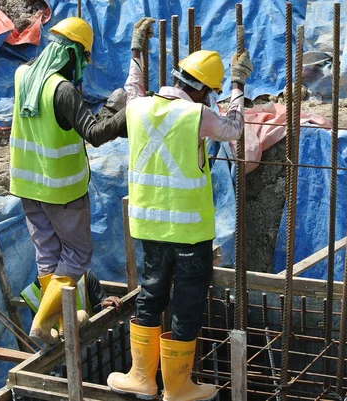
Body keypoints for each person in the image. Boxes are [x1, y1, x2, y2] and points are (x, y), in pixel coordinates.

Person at [106, 17, 252, 401]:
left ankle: (141, 378)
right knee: (186, 303)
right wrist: (237, 87)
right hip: (189, 233)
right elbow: (234, 129)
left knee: (150, 296)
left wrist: (137, 51)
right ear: (204, 90)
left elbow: (132, 87)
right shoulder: (198, 115)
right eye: (212, 91)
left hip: (149, 228)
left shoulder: (137, 108)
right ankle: (177, 386)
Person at [9, 17, 127, 345]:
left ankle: (59, 321)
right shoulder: (61, 90)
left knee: (47, 252)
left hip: (26, 185)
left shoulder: (23, 75)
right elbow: (95, 133)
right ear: (73, 54)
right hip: (60, 189)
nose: (85, 66)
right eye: (84, 58)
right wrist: (122, 112)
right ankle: (45, 319)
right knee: (77, 253)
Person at [21, 269, 122, 337]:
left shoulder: (84, 276)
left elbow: (99, 306)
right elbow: (42, 329)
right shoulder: (33, 292)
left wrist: (105, 303)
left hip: (91, 336)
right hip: (60, 349)